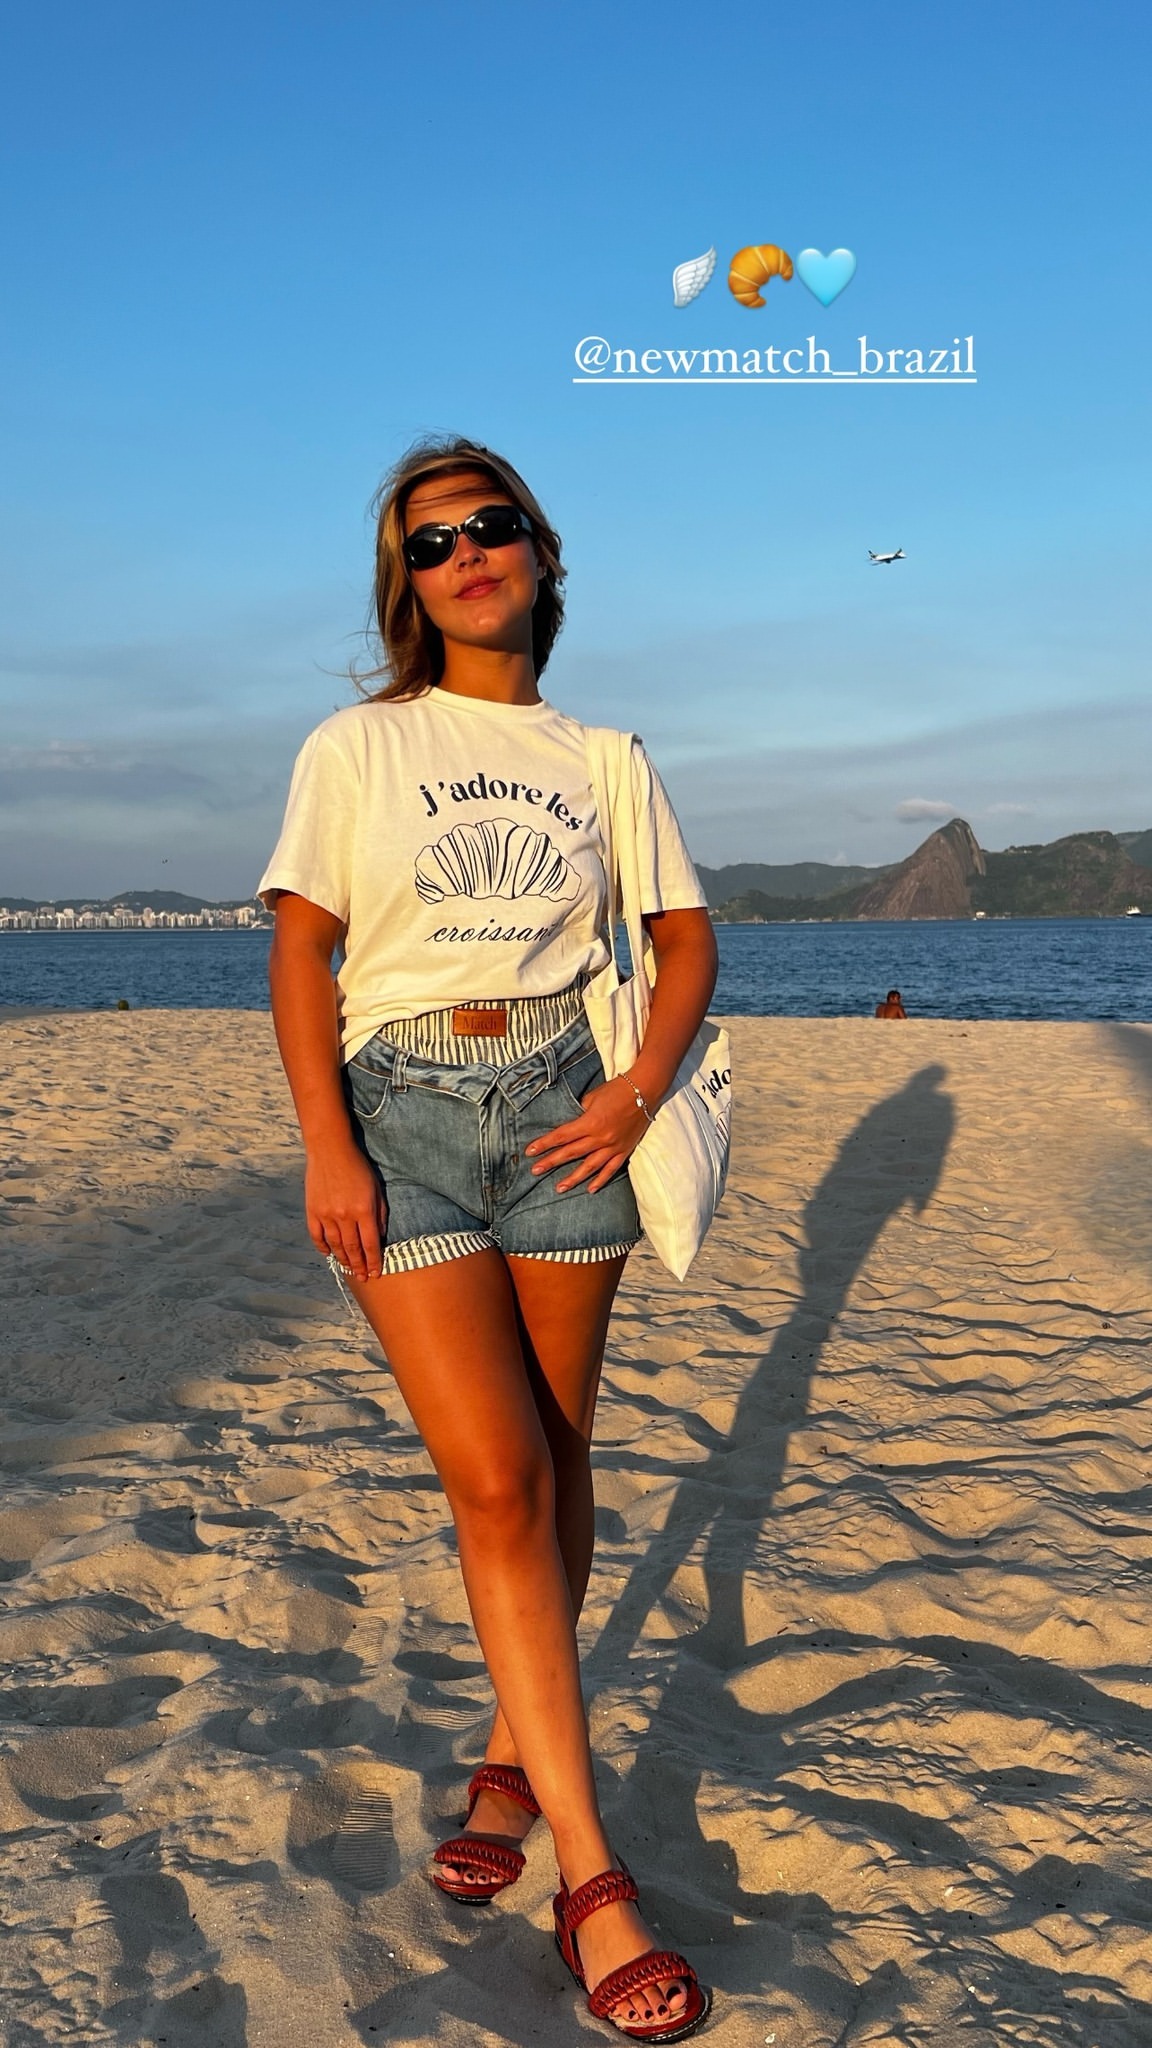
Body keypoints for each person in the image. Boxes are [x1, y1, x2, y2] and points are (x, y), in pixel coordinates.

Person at [259, 436, 718, 2039]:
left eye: (490, 524)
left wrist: (638, 1096)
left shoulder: (604, 755)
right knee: (499, 1476)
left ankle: (516, 1759)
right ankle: (593, 1876)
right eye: (432, 540)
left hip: (565, 1107)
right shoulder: (358, 746)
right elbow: (303, 951)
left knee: (559, 1450)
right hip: (401, 1118)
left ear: (541, 551)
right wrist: (327, 1143)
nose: (466, 552)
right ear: (408, 582)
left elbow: (684, 937)